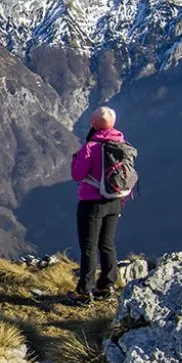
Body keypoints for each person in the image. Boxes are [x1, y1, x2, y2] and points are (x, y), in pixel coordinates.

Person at [68, 106, 127, 302]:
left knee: (88, 247)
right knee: (107, 244)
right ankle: (107, 286)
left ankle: (84, 291)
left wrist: (75, 160)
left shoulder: (90, 148)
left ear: (93, 124)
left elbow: (77, 175)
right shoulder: (121, 144)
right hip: (115, 201)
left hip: (92, 204)